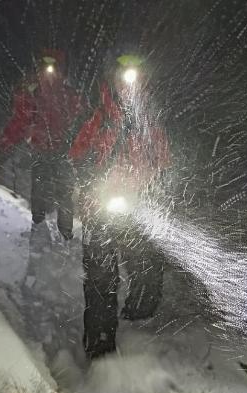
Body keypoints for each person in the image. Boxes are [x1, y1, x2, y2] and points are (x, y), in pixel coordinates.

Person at [69, 54, 171, 360]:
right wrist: (88, 176)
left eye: (135, 75)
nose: (128, 82)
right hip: (100, 208)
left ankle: (140, 323)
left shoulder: (148, 123)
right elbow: (77, 153)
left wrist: (158, 187)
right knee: (101, 278)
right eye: (122, 74)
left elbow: (165, 160)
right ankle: (100, 347)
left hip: (134, 208)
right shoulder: (99, 119)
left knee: (148, 265)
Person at [0, 49, 84, 240]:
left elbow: (84, 122)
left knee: (64, 191)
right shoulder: (33, 94)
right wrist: (1, 146)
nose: (50, 71)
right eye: (46, 65)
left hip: (63, 152)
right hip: (41, 150)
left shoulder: (70, 96)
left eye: (54, 66)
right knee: (40, 189)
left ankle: (65, 231)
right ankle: (38, 224)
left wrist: (81, 147)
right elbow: (19, 123)